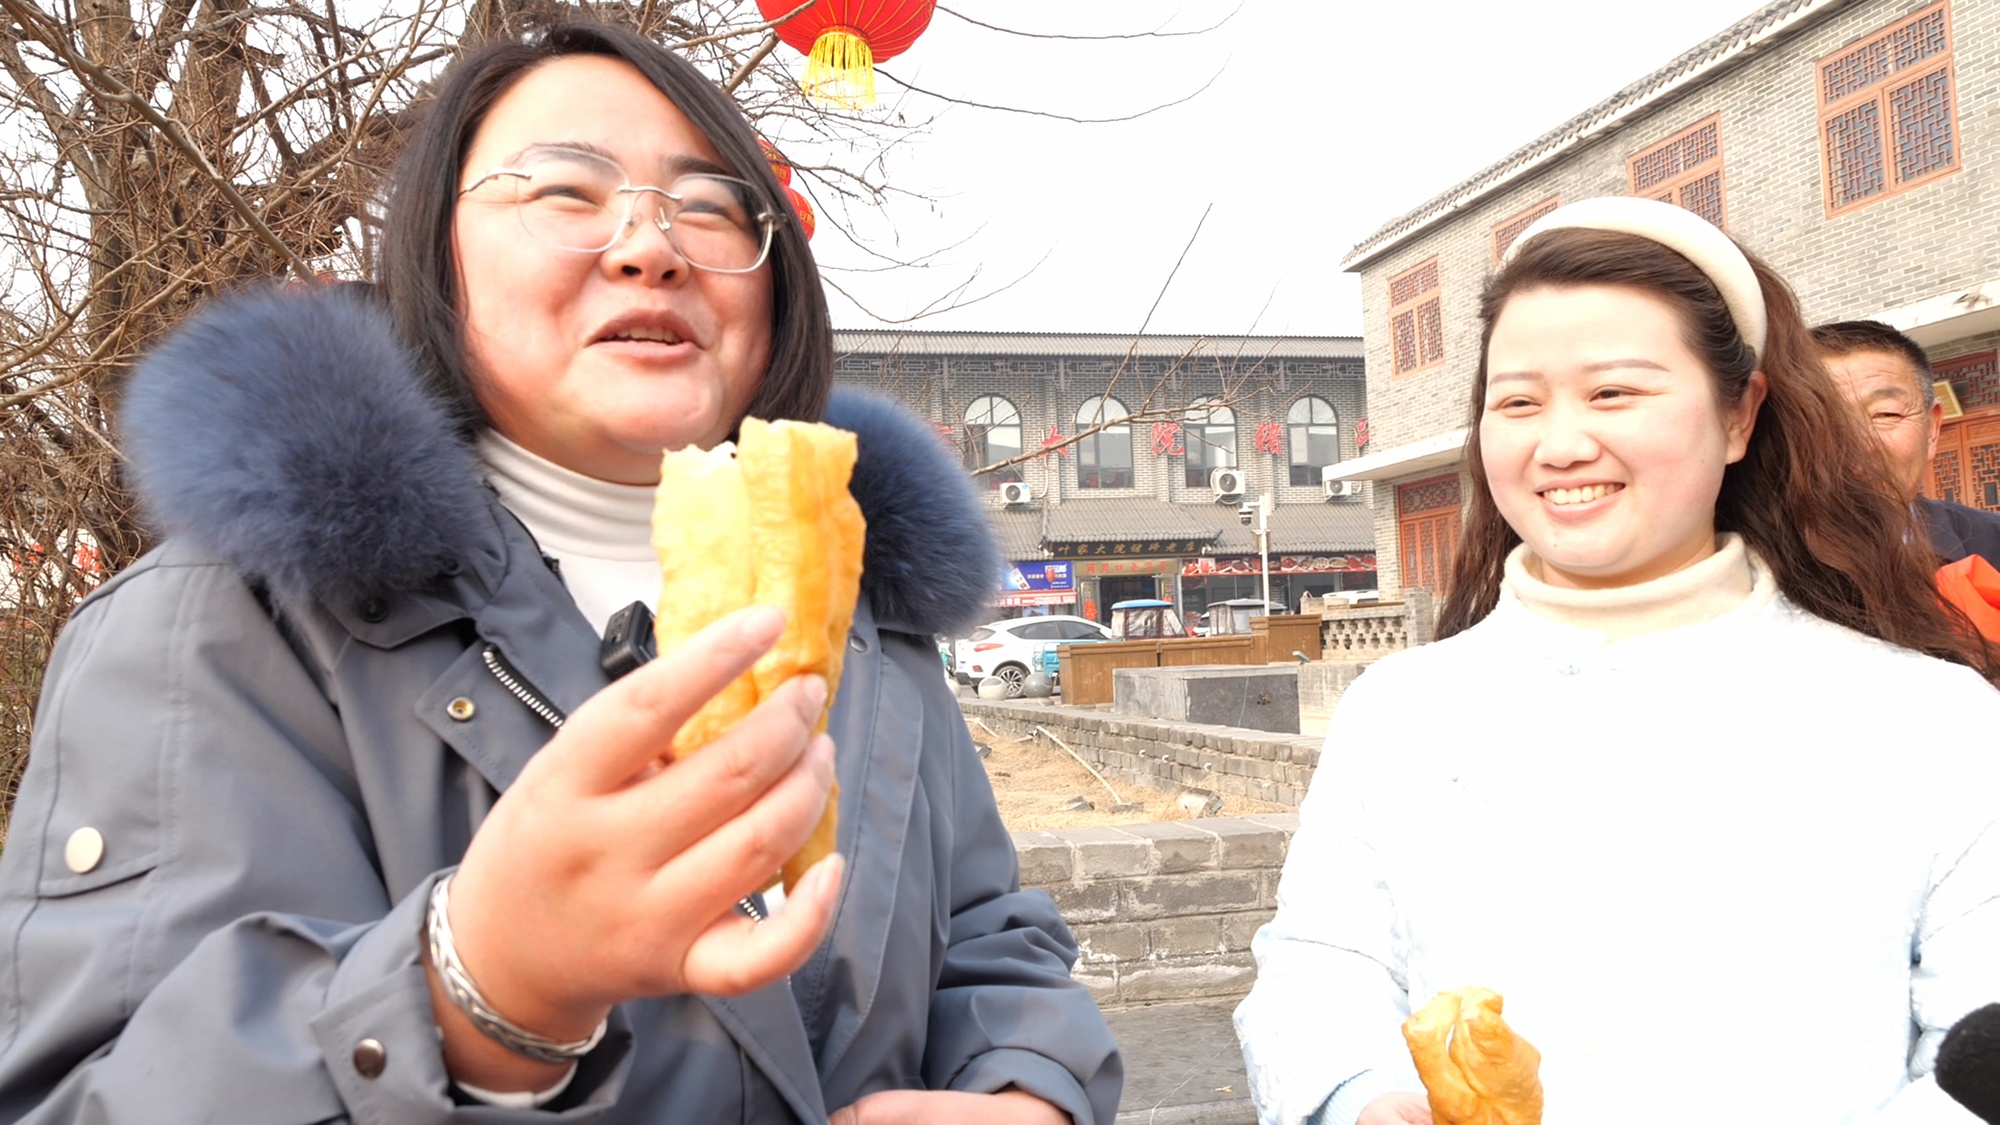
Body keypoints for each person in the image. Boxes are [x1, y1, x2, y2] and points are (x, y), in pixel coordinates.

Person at [0, 22, 1120, 1124]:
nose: (650, 246)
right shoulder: (223, 622)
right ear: (434, 257)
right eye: (563, 192)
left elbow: (990, 935)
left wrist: (1025, 1090)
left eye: (708, 204)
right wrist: (475, 990)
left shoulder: (857, 604)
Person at [1233, 198, 2000, 1125]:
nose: (1560, 445)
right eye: (1518, 402)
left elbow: (1975, 1043)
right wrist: (1360, 1098)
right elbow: (1322, 964)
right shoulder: (1402, 709)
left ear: (1740, 415)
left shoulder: (1929, 718)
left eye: (1614, 394)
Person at [1811, 318, 2000, 570]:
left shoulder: (1992, 545)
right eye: (1821, 419)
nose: (1859, 445)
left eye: (1886, 414)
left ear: (1931, 429)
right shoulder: (1762, 566)